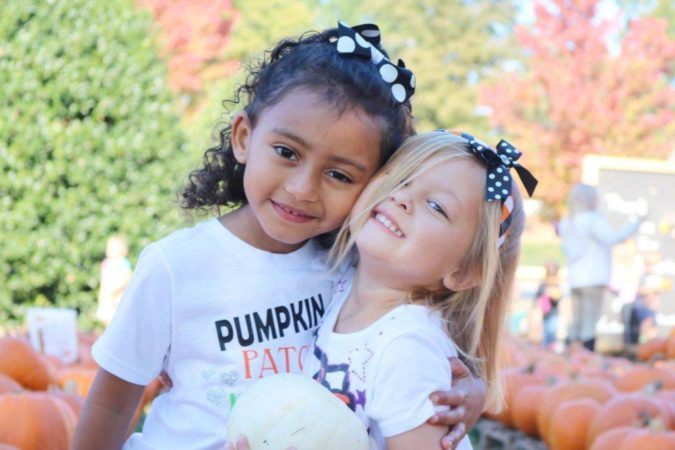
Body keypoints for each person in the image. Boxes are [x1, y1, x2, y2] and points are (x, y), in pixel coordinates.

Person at [73, 22, 485, 450]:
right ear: (244, 138)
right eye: (287, 153)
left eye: (339, 175)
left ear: (375, 185)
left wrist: (473, 392)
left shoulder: (354, 267)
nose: (302, 188)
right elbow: (112, 405)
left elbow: (423, 346)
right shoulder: (176, 268)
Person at [294, 131, 536, 449]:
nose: (401, 197)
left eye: (436, 206)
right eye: (400, 178)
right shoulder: (337, 281)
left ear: (464, 272)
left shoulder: (407, 348)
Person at [558, 183, 642, 351]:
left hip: (575, 278)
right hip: (594, 277)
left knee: (576, 321)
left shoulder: (567, 222)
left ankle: (569, 356)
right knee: (589, 321)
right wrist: (637, 223)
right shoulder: (592, 220)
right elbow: (613, 237)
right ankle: (585, 357)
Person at [96, 235, 133, 326]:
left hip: (117, 297)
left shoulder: (123, 263)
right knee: (106, 319)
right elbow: (103, 280)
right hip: (107, 296)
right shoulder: (106, 263)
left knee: (116, 320)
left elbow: (127, 278)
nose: (109, 250)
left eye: (113, 248)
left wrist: (114, 290)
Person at [535, 261, 562, 349]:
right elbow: (537, 297)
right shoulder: (543, 286)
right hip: (544, 314)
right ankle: (545, 349)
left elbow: (558, 299)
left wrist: (553, 295)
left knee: (551, 333)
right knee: (545, 334)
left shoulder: (556, 287)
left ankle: (551, 349)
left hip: (553, 314)